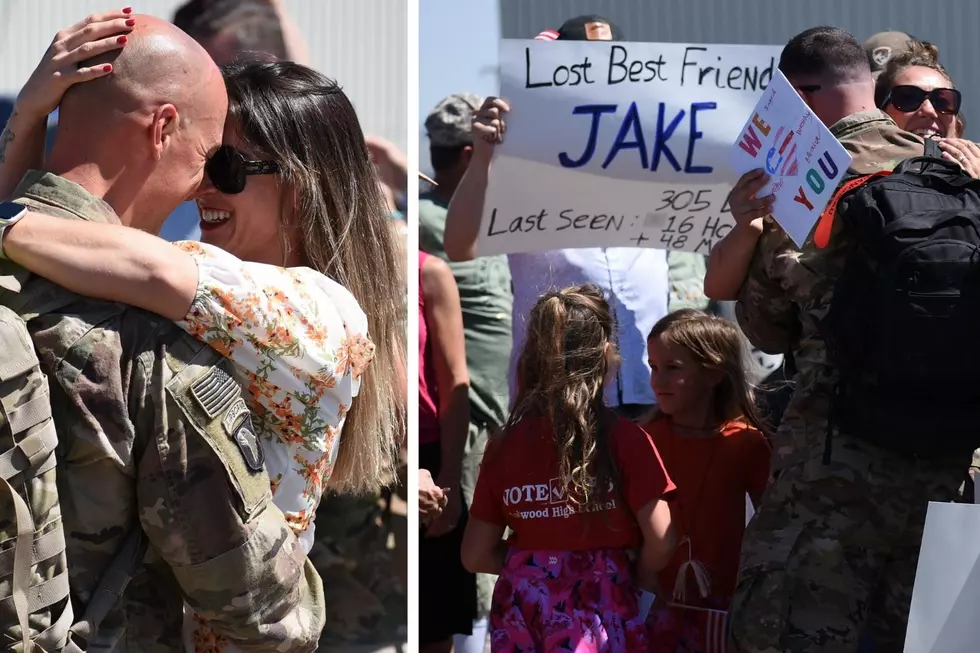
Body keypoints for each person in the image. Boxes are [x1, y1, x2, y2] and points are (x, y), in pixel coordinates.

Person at [0, 12, 404, 651]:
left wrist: (16, 189)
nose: (202, 187)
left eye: (230, 166)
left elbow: (135, 257)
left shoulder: (316, 308)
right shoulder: (210, 296)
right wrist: (30, 120)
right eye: (207, 158)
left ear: (303, 184)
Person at [712, 27, 975, 652]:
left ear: (799, 98)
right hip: (948, 459)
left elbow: (765, 324)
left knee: (793, 627)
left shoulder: (808, 179)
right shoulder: (960, 168)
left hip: (835, 463)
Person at [443, 16, 673, 425]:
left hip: (654, 388)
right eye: (581, 69)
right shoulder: (516, 158)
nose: (597, 83)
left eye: (609, 69)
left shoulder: (658, 149)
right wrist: (482, 156)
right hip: (558, 396)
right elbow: (460, 245)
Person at [462, 283, 678, 653]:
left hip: (523, 609)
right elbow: (663, 538)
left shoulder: (503, 445)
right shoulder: (626, 439)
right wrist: (632, 576)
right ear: (607, 354)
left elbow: (475, 554)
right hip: (605, 602)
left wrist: (535, 568)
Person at [421, 91, 513, 652]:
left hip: (489, 422)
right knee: (469, 580)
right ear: (464, 154)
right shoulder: (431, 227)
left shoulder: (493, 216)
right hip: (466, 429)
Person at [640, 310, 771, 653]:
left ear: (713, 372)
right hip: (651, 602)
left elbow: (770, 522)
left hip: (722, 605)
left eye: (672, 368)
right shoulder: (642, 440)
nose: (657, 381)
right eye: (653, 367)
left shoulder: (745, 442)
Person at [418, 251, 477, 652]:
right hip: (363, 455)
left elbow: (456, 381)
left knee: (434, 625)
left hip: (431, 453)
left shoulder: (429, 272)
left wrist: (450, 481)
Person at [873, 39, 978, 171]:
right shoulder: (853, 175)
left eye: (943, 102)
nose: (929, 110)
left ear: (957, 126)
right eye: (909, 98)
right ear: (879, 114)